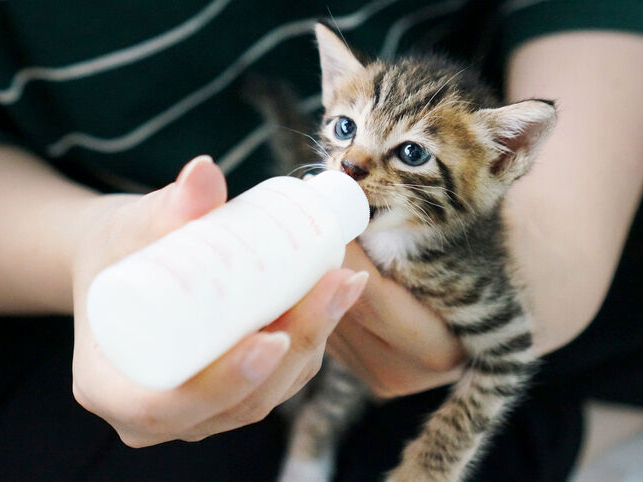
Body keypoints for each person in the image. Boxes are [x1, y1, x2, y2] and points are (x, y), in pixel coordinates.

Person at [1, 1, 642, 480]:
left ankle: (600, 418)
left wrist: (562, 253)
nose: (353, 165)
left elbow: (508, 349)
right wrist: (83, 242)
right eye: (342, 127)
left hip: (573, 196)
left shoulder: (479, 207)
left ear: (502, 160)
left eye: (411, 153)